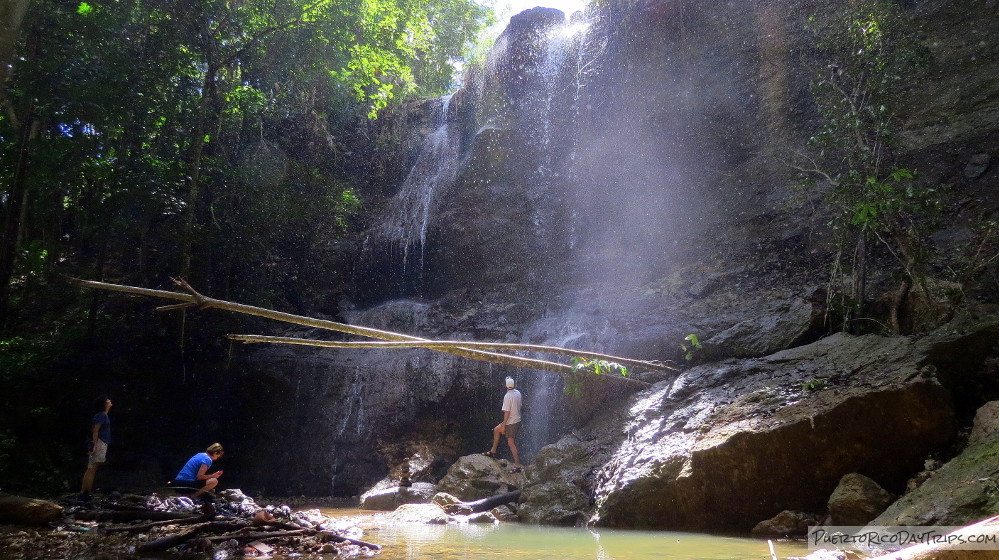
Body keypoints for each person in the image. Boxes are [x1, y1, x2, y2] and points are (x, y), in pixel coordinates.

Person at [484, 376, 523, 472]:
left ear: (505, 386)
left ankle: (517, 466)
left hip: (511, 422)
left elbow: (507, 412)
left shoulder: (507, 396)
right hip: (516, 420)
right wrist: (503, 424)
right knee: (496, 429)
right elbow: (520, 406)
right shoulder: (518, 393)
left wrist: (504, 425)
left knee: (511, 443)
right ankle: (493, 451)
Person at [81, 396, 112, 494]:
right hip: (100, 441)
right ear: (104, 404)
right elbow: (95, 431)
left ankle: (85, 491)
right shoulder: (101, 415)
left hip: (101, 441)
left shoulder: (103, 415)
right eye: (108, 400)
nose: (110, 400)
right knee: (92, 467)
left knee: (92, 467)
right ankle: (85, 492)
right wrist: (94, 445)